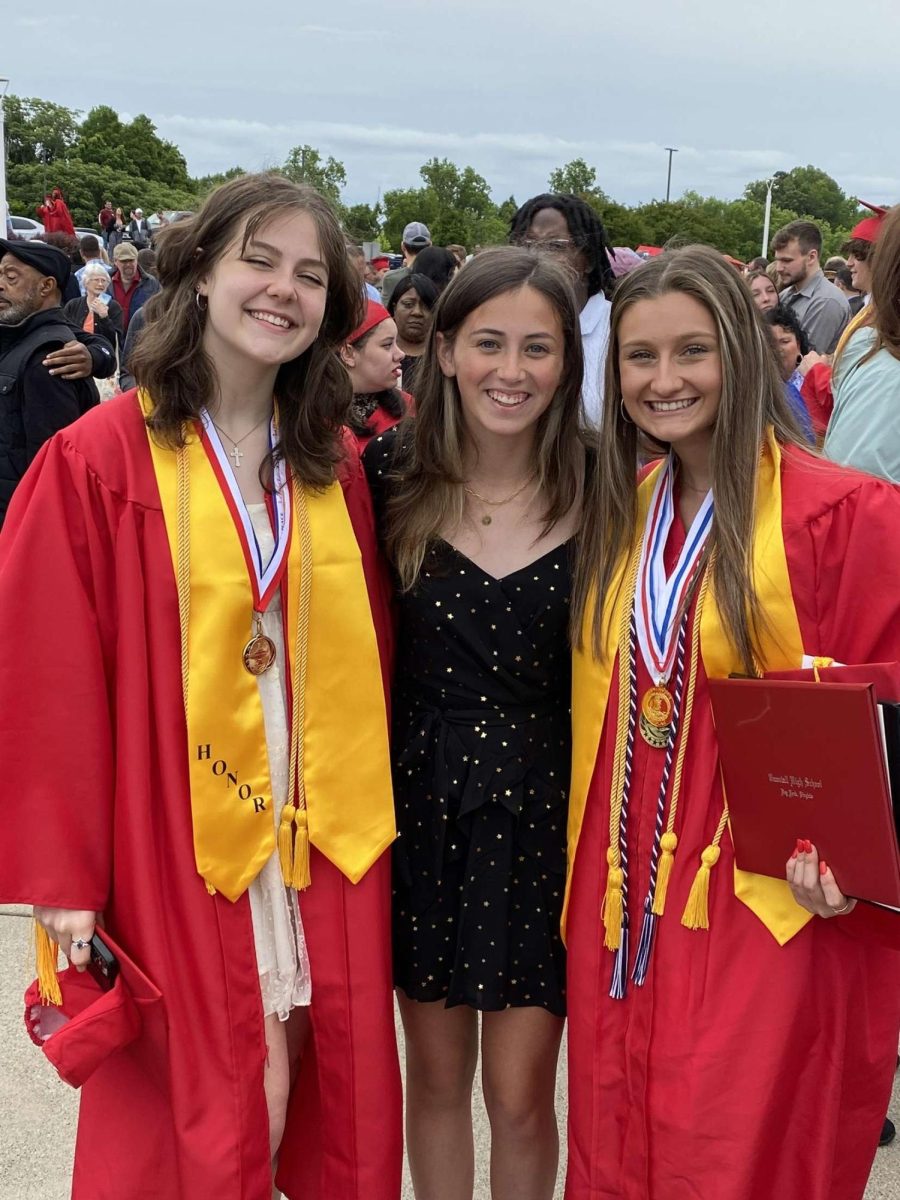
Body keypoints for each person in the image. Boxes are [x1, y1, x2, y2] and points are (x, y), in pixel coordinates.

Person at [0, 172, 402, 1200]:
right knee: (221, 1093)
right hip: (176, 827)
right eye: (258, 261)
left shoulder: (330, 463)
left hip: (318, 828)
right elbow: (46, 674)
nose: (282, 290)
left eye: (310, 276)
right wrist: (63, 877)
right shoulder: (98, 459)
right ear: (202, 273)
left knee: (312, 1073)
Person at [565, 244, 900, 1200]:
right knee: (617, 1121)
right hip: (627, 877)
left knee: (733, 1134)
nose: (663, 381)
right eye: (639, 357)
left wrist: (865, 868)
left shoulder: (847, 515)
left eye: (692, 352)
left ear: (746, 354)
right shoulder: (626, 511)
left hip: (767, 886)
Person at [363, 246, 586, 1200]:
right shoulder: (384, 474)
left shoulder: (608, 483)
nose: (513, 370)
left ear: (568, 363)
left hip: (547, 810)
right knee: (439, 1079)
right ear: (442, 348)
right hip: (421, 807)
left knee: (524, 1092)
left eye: (539, 348)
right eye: (489, 342)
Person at [0, 239, 99, 525]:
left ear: (46, 286)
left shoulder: (49, 357)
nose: (1, 284)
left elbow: (54, 473)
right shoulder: (15, 336)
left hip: (20, 528)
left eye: (11, 276)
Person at [509, 193, 616, 426]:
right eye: (527, 244)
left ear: (588, 260)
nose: (537, 254)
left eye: (555, 246)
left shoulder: (619, 327)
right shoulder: (503, 323)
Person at [825, 204, 900, 482]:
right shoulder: (871, 329)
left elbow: (854, 483)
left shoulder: (885, 372)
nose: (850, 263)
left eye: (860, 255)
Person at [339, 299, 409, 448]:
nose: (401, 354)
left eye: (397, 343)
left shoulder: (409, 407)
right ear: (348, 354)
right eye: (387, 345)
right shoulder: (315, 422)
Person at [772, 219, 850, 353]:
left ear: (811, 257)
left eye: (786, 260)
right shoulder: (786, 294)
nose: (778, 268)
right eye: (777, 260)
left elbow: (801, 361)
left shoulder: (827, 301)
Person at [763, 304, 816, 442]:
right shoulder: (760, 390)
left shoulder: (814, 378)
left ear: (798, 344)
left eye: (784, 341)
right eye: (770, 344)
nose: (778, 349)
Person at [386, 272, 439, 394]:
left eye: (426, 306)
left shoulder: (442, 357)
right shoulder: (379, 354)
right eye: (408, 305)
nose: (417, 312)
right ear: (394, 308)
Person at [64, 262, 125, 353]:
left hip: (103, 357)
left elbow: (116, 340)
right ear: (86, 282)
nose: (100, 284)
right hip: (76, 355)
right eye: (96, 280)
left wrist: (104, 317)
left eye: (103, 281)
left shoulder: (113, 307)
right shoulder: (73, 305)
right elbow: (64, 330)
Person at [110, 241, 161, 333]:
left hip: (141, 337)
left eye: (131, 260)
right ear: (115, 261)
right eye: (124, 261)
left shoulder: (151, 284)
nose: (128, 264)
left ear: (137, 260)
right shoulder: (105, 283)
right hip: (114, 339)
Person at [381, 221, 432, 306]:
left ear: (403, 246)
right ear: (430, 245)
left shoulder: (390, 278)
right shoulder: (442, 276)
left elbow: (385, 312)